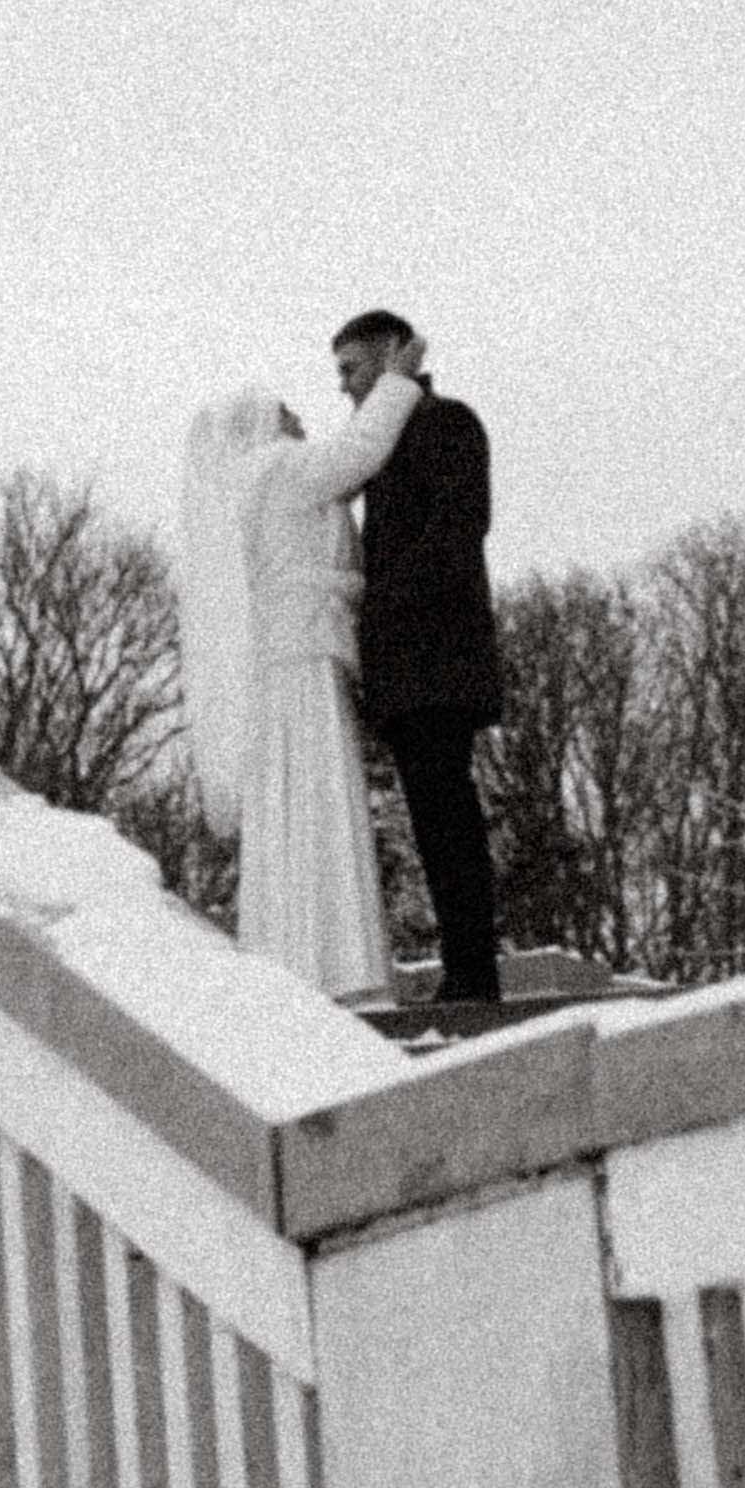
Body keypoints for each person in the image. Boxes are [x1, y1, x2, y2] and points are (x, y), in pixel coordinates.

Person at [175, 348, 425, 1001]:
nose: (301, 421)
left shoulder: (245, 482)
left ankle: (298, 954)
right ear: (261, 426)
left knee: (293, 805)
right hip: (304, 653)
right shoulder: (279, 468)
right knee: (318, 794)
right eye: (287, 413)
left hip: (286, 653)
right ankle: (337, 965)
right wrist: (399, 378)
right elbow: (363, 450)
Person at [332, 308, 503, 1008]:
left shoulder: (446, 422)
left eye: (353, 368)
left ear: (395, 354)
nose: (344, 387)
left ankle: (472, 973)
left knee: (448, 818)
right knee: (435, 822)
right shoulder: (383, 443)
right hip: (405, 672)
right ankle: (465, 968)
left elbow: (460, 528)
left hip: (438, 661)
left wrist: (382, 605)